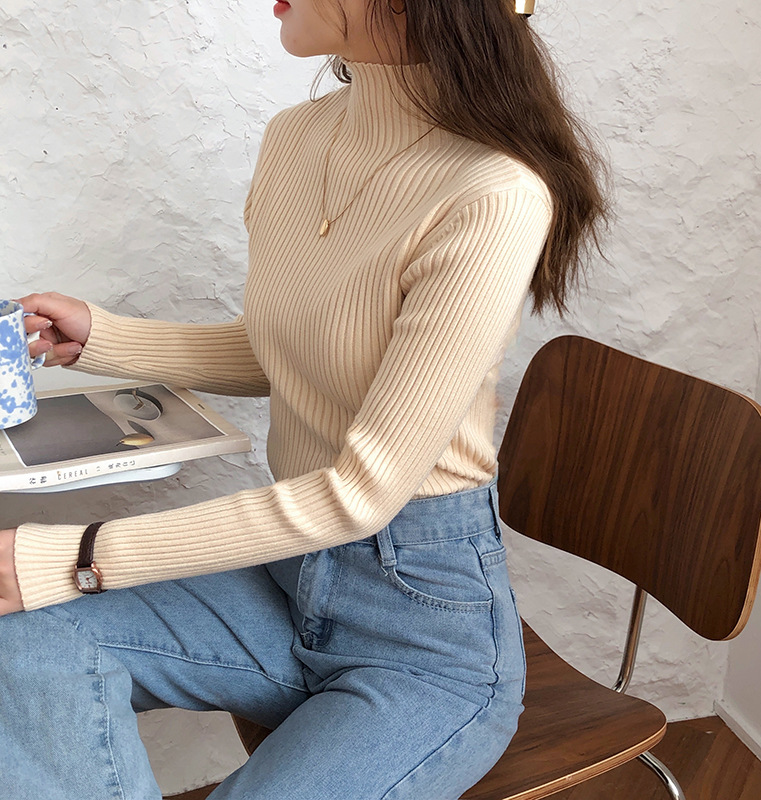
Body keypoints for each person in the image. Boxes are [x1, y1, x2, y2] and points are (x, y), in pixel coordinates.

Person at [0, 0, 606, 797]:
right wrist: (104, 338)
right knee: (23, 638)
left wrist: (78, 559)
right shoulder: (295, 138)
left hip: (420, 637)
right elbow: (282, 353)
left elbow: (361, 496)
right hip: (286, 584)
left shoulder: (493, 193)